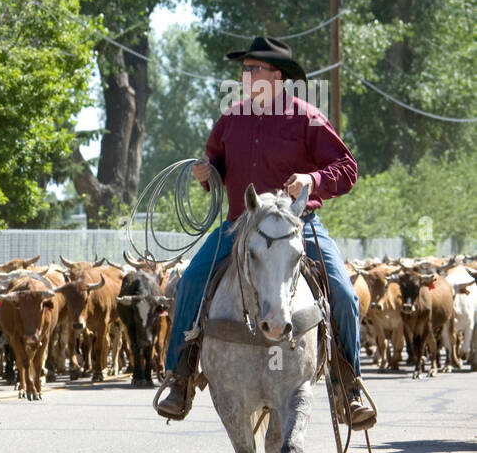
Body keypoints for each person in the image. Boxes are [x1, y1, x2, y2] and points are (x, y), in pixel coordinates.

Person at [155, 35, 375, 429]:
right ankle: (180, 377)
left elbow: (347, 168)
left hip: (297, 224)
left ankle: (349, 385)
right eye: (244, 69)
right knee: (188, 283)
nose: (246, 74)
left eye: (254, 68)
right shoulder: (229, 119)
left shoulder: (306, 117)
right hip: (241, 224)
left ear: (278, 76)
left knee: (342, 291)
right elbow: (216, 167)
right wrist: (207, 173)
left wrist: (312, 177)